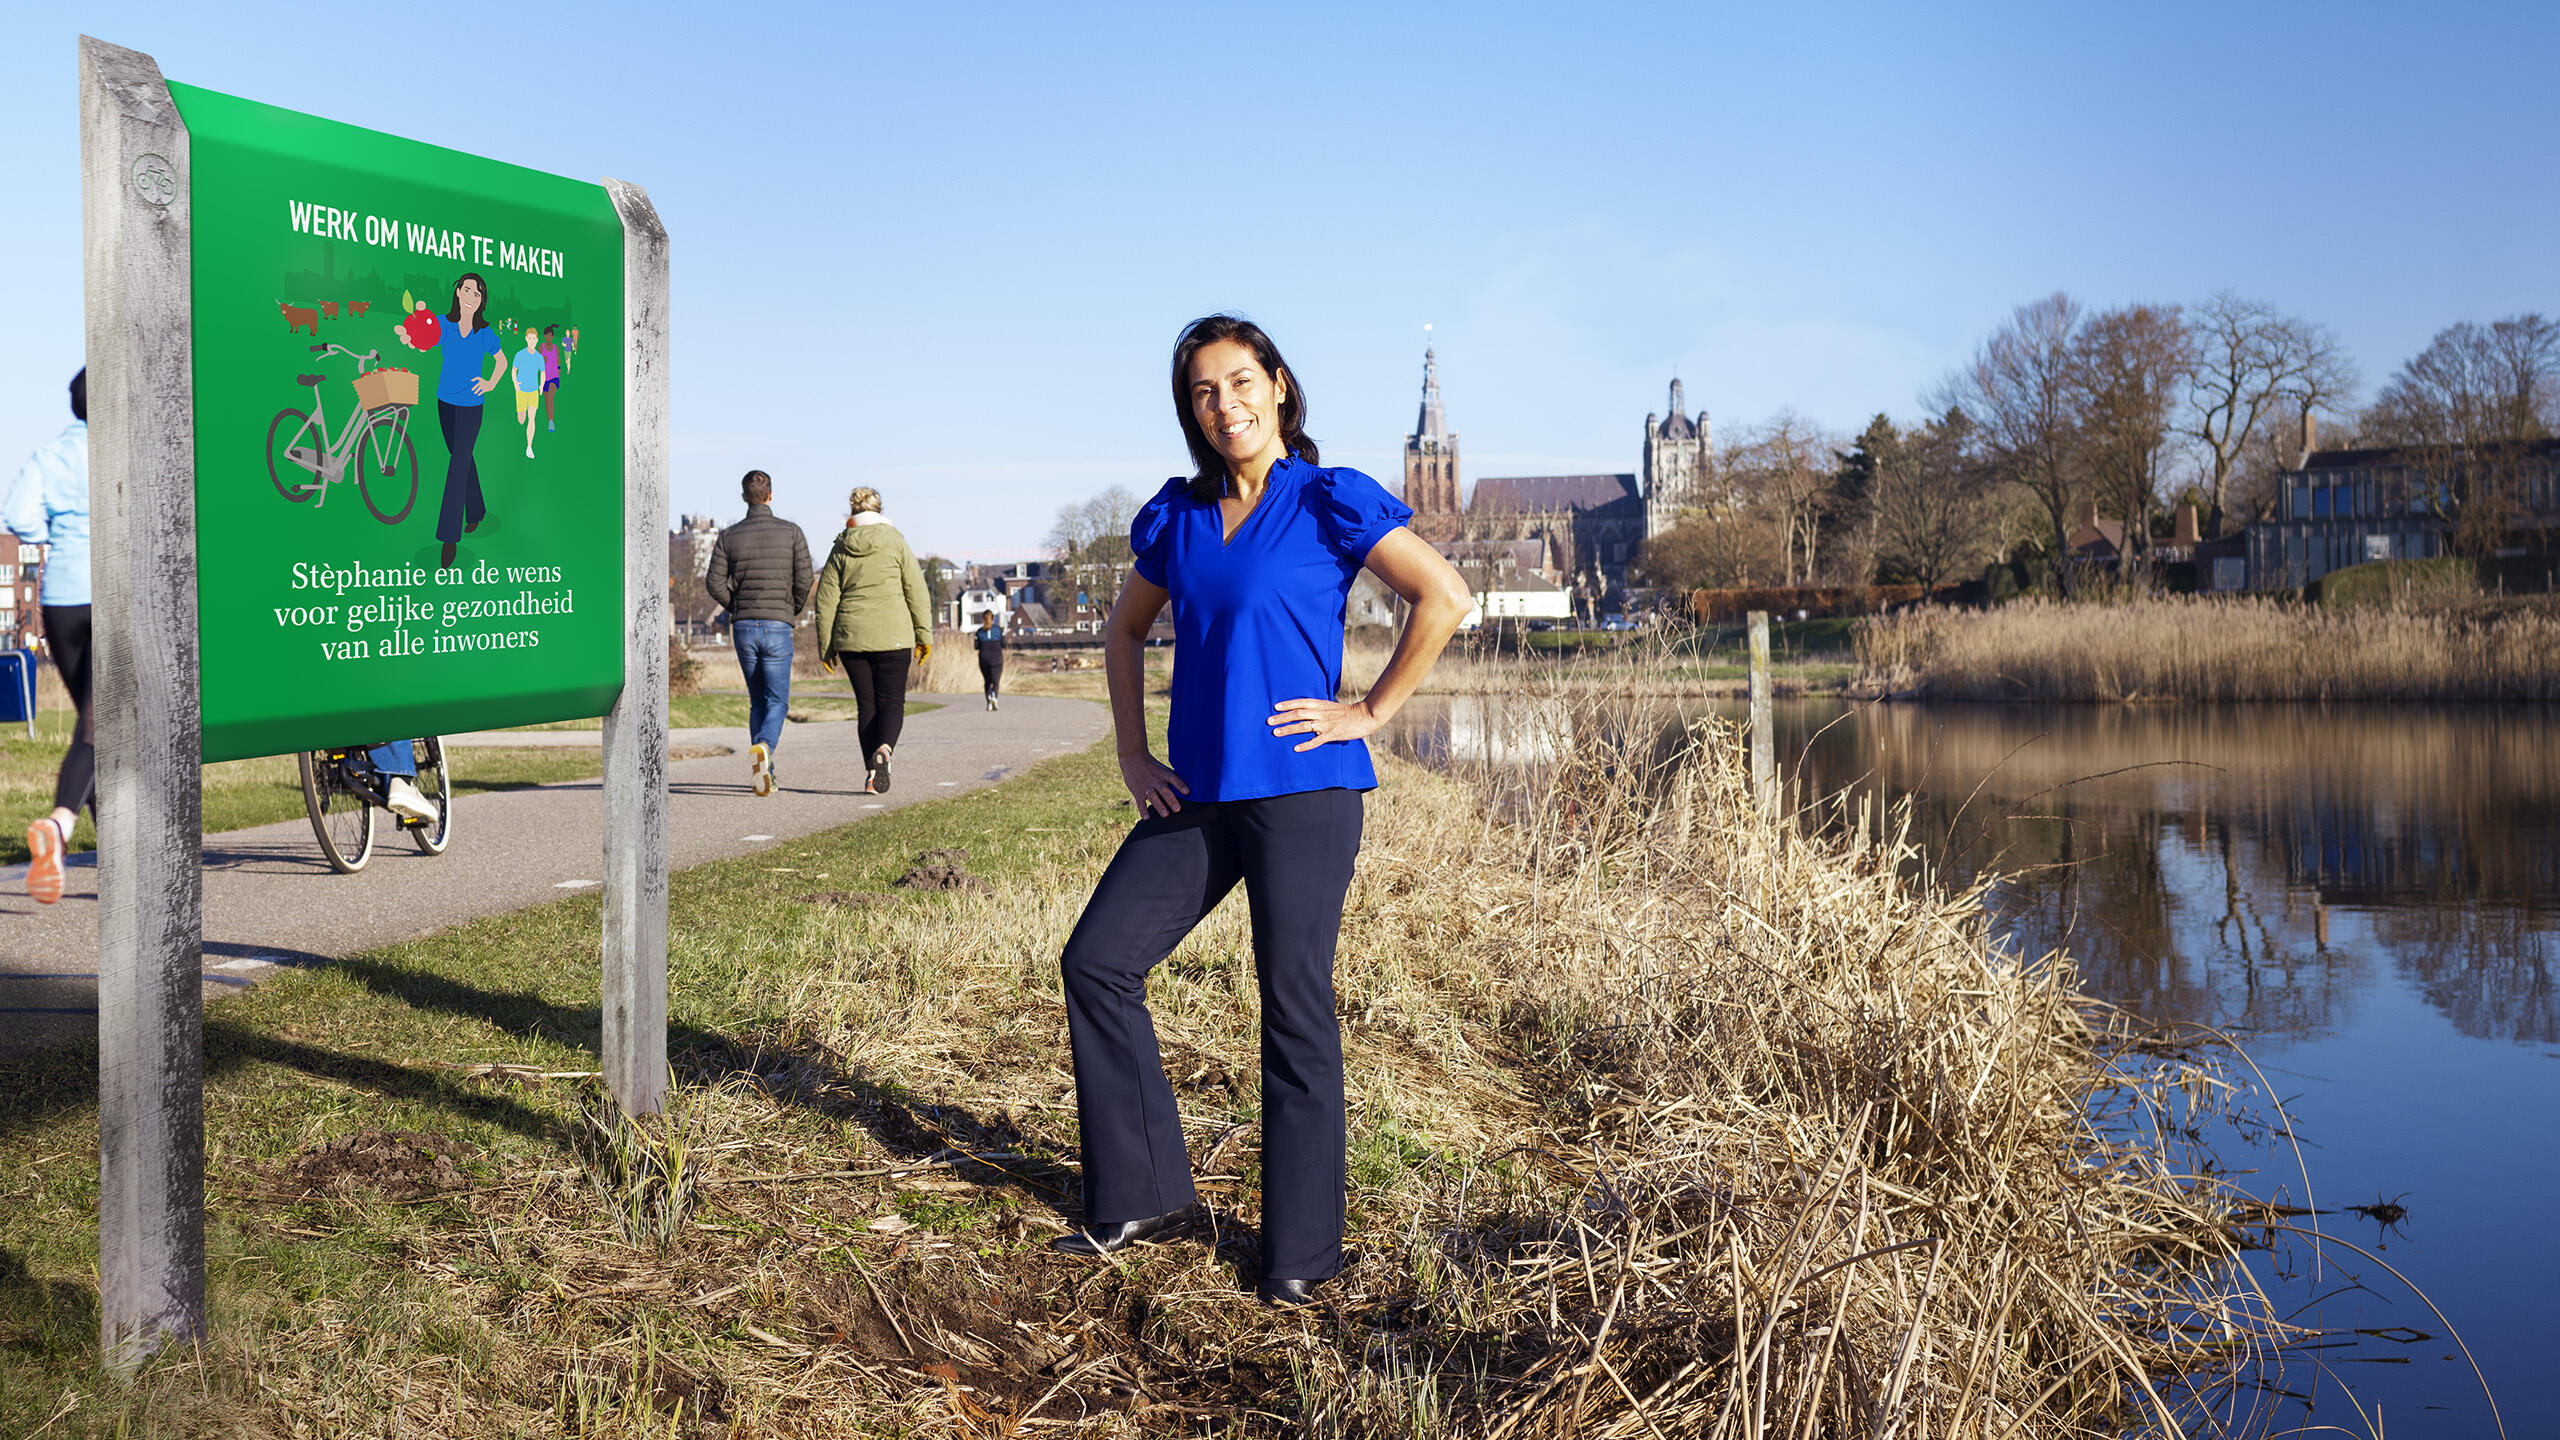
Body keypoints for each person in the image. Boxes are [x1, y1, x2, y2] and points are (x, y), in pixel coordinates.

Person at [1050, 316, 1470, 1308]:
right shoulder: (1179, 517)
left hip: (1304, 792)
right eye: (1204, 391)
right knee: (1098, 961)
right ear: (1188, 409)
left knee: (1292, 1008)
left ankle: (1298, 1255)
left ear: (1278, 387)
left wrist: (1368, 711)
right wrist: (1130, 752)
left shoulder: (1326, 501)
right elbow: (1123, 632)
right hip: (1194, 793)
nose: (1225, 405)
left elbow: (1443, 597)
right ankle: (1140, 1191)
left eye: (1241, 382)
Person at [4, 370, 93, 903]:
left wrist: (48, 536)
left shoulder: (49, 454)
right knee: (99, 719)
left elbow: (17, 516)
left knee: (94, 716)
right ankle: (59, 826)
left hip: (60, 600)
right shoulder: (123, 451)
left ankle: (118, 860)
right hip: (114, 593)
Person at [811, 486, 931, 794]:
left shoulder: (841, 546)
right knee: (891, 701)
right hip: (894, 636)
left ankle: (871, 774)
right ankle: (886, 750)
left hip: (852, 639)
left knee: (866, 706)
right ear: (880, 510)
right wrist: (924, 635)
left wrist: (826, 646)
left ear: (852, 513)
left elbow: (825, 600)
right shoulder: (896, 541)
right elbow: (916, 590)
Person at [703, 469, 813, 795]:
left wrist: (735, 606)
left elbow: (713, 582)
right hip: (778, 624)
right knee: (777, 700)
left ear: (743, 497)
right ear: (770, 495)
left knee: (757, 702)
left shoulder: (728, 537)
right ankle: (765, 747)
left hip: (744, 627)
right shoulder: (792, 533)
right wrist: (790, 607)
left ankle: (764, 773)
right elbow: (805, 579)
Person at [392, 272, 506, 569]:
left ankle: (449, 537)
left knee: (457, 465)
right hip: (444, 404)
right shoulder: (444, 324)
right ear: (457, 293)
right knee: (462, 458)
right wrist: (410, 337)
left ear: (482, 301)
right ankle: (477, 510)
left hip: (471, 407)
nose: (470, 297)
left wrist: (491, 383)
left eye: (477, 294)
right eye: (466, 290)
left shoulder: (484, 333)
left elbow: (502, 361)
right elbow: (424, 338)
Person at [510, 325, 546, 459]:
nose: (531, 341)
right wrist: (515, 384)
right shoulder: (520, 355)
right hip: (521, 391)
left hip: (533, 392)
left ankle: (529, 447)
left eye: (534, 339)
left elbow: (543, 373)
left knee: (532, 418)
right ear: (526, 339)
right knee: (521, 418)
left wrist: (541, 386)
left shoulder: (539, 357)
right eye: (529, 338)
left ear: (537, 340)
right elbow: (513, 371)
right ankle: (520, 417)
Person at [972, 610, 1007, 711]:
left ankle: (988, 702)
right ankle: (994, 696)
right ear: (993, 618)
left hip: (984, 657)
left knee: (987, 681)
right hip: (996, 657)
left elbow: (976, 646)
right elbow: (1004, 644)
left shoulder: (978, 632)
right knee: (995, 680)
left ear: (983, 618)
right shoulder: (999, 630)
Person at [539, 324, 562, 432]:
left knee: (550, 397)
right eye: (547, 336)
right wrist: (543, 360)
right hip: (544, 378)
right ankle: (549, 418)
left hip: (554, 377)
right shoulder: (541, 347)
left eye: (551, 336)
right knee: (547, 398)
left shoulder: (556, 348)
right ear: (544, 336)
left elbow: (558, 358)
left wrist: (559, 367)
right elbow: (537, 362)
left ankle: (551, 421)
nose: (549, 337)